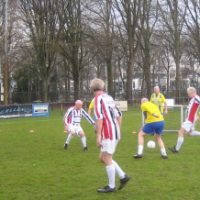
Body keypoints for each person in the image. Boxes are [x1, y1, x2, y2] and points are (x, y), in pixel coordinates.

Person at [90, 78, 130, 193]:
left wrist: (98, 136)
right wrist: (119, 130)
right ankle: (123, 176)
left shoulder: (97, 99)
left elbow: (99, 118)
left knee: (106, 158)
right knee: (102, 158)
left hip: (108, 133)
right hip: (114, 132)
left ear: (92, 88)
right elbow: (119, 114)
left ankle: (111, 186)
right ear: (102, 87)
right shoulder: (109, 98)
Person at [169, 87, 200, 153]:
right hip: (191, 119)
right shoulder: (193, 99)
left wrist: (198, 115)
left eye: (188, 93)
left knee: (180, 132)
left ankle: (176, 149)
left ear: (192, 92)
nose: (188, 95)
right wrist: (196, 115)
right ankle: (176, 149)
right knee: (191, 133)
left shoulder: (196, 98)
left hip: (190, 119)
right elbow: (193, 109)